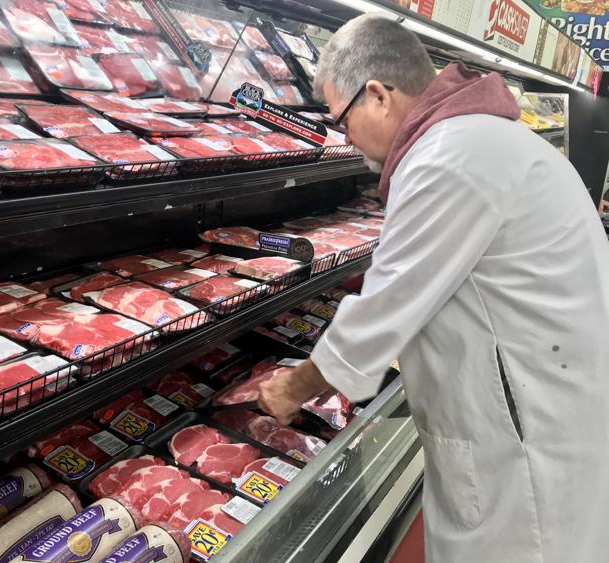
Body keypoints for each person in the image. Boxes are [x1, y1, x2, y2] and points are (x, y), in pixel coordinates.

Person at [257, 14, 609, 563]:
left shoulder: (449, 157)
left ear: (377, 94)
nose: (347, 141)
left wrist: (291, 388)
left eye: (342, 121)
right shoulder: (480, 137)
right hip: (546, 398)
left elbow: (382, 309)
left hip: (523, 437)